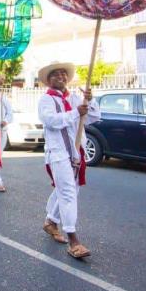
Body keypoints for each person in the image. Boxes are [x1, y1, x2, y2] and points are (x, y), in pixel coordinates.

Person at [37, 61, 99, 259]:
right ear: (49, 80)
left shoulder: (73, 98)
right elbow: (51, 121)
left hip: (75, 151)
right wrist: (75, 112)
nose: (61, 77)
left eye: (64, 74)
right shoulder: (46, 100)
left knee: (70, 189)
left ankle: (51, 221)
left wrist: (90, 101)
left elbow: (93, 117)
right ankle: (74, 240)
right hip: (58, 153)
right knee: (67, 193)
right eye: (56, 74)